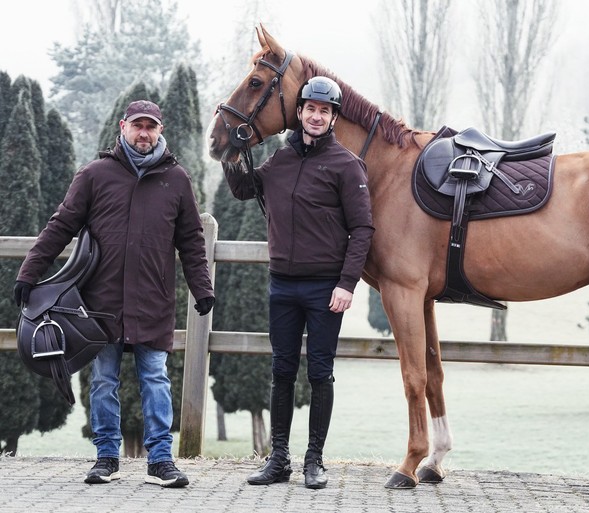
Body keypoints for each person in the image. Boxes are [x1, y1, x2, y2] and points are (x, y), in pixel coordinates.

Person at [14, 100, 215, 488]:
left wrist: (201, 287)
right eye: (137, 126)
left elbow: (191, 240)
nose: (144, 133)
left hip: (153, 300)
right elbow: (61, 225)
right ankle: (106, 457)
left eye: (151, 127)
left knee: (155, 378)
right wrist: (29, 272)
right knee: (104, 379)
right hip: (99, 304)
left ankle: (160, 460)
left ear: (160, 130)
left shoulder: (177, 180)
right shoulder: (94, 175)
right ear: (123, 127)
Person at [223, 76, 374, 489]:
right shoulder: (280, 160)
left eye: (325, 111)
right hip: (282, 285)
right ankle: (279, 460)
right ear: (301, 112)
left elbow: (362, 229)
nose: (316, 116)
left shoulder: (347, 165)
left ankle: (314, 460)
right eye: (311, 108)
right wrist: (234, 154)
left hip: (326, 288)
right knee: (282, 372)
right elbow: (245, 189)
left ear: (332, 117)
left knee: (320, 373)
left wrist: (346, 284)